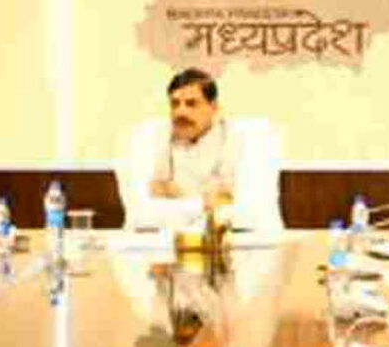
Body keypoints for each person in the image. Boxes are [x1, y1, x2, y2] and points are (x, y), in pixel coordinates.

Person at [117, 68, 283, 231]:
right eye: (175, 104)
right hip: (165, 245)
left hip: (245, 244)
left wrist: (175, 198)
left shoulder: (251, 137)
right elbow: (139, 215)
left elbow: (252, 216)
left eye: (191, 104)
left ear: (214, 107)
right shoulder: (149, 136)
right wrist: (204, 203)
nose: (180, 112)